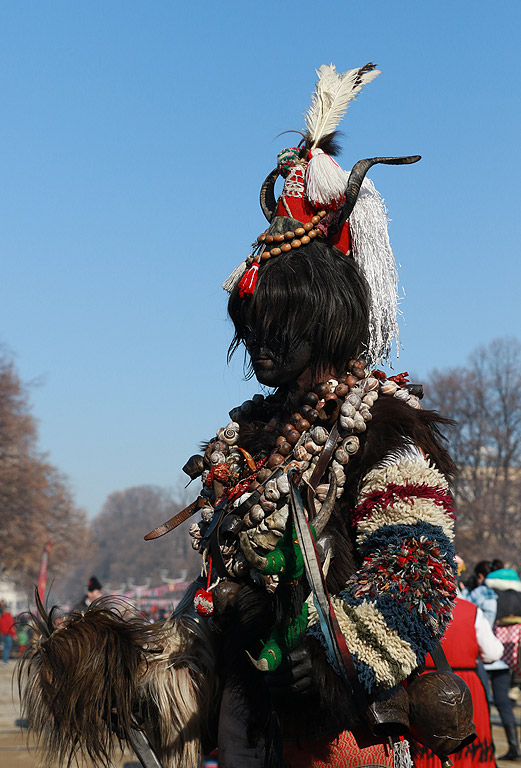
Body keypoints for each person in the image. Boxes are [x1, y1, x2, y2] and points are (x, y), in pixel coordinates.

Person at [20, 63, 464, 768]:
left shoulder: (382, 433)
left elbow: (416, 570)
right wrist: (125, 675)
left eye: (279, 323)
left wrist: (337, 654)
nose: (259, 342)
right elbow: (220, 605)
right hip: (245, 733)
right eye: (250, 323)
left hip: (340, 737)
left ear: (326, 323)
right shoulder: (248, 444)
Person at [412, 595, 503, 768]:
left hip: (424, 684)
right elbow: (493, 653)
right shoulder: (472, 610)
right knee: (466, 737)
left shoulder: (413, 606)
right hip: (464, 684)